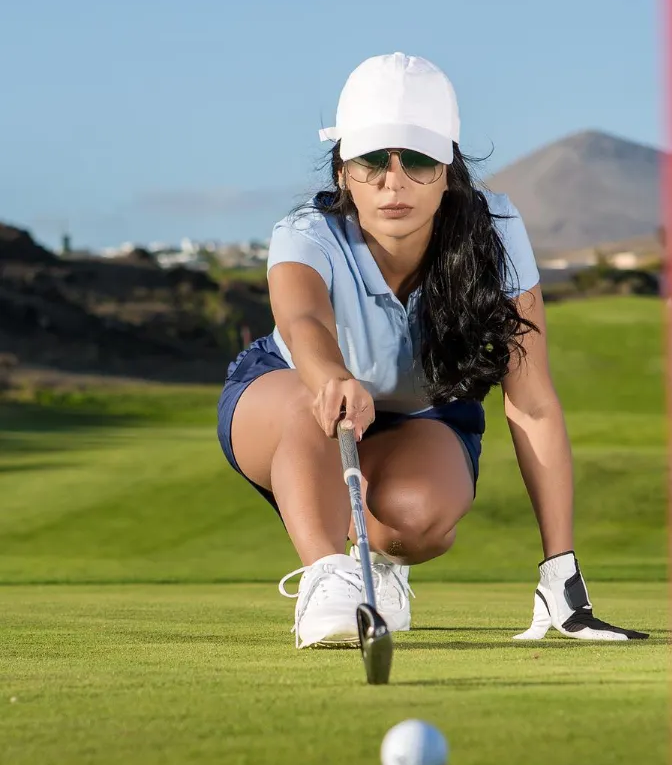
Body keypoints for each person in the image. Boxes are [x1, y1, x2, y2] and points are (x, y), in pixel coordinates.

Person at [217, 52, 648, 647]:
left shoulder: (495, 230)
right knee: (305, 402)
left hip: (423, 416)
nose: (393, 182)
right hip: (287, 404)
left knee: (419, 517)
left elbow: (533, 401)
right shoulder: (305, 232)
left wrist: (560, 567)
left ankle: (380, 573)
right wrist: (331, 376)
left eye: (417, 160)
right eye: (371, 161)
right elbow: (302, 319)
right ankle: (329, 580)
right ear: (343, 170)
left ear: (449, 167)